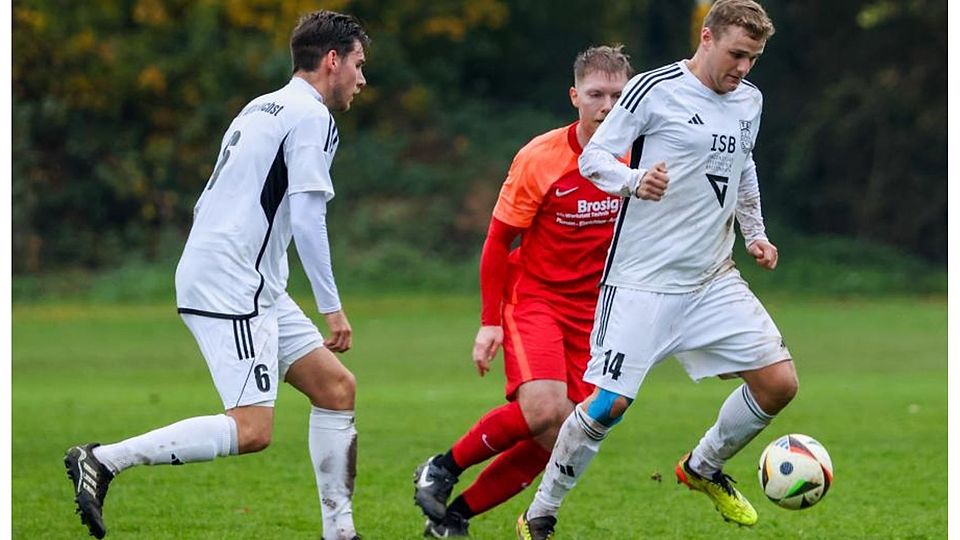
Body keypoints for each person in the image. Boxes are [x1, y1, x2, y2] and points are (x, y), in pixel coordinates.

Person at [63, 11, 369, 540]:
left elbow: (216, 197)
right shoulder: (312, 116)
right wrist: (331, 306)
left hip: (249, 280)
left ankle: (340, 534)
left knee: (337, 389)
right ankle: (104, 459)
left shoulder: (261, 106)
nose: (363, 80)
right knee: (253, 430)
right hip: (234, 282)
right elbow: (306, 215)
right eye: (359, 65)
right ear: (333, 61)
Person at [516, 1, 797, 538]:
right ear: (707, 37)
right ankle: (540, 514)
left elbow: (744, 165)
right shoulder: (654, 89)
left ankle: (702, 466)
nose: (742, 68)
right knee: (609, 404)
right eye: (736, 54)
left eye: (754, 58)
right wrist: (633, 181)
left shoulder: (749, 100)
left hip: (712, 277)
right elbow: (593, 160)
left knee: (779, 384)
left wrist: (756, 233)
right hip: (641, 281)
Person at [413, 46, 633, 537]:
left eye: (618, 95)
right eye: (596, 94)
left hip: (594, 314)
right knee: (543, 408)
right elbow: (497, 240)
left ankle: (453, 520)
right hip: (535, 297)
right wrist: (490, 321)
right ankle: (442, 467)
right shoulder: (541, 158)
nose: (607, 105)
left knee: (560, 435)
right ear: (575, 96)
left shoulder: (639, 160)